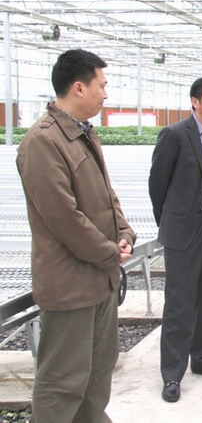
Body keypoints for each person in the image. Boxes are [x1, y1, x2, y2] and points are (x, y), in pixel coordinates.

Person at [17, 49, 135, 422]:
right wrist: (109, 252)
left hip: (99, 279)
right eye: (102, 85)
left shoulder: (82, 134)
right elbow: (63, 217)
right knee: (63, 382)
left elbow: (106, 196)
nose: (106, 94)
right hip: (70, 285)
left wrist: (124, 233)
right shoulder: (43, 141)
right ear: (79, 88)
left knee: (98, 373)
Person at [149, 76, 202, 403]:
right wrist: (171, 223)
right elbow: (157, 184)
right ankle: (172, 373)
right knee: (180, 301)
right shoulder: (174, 135)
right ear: (195, 102)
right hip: (184, 227)